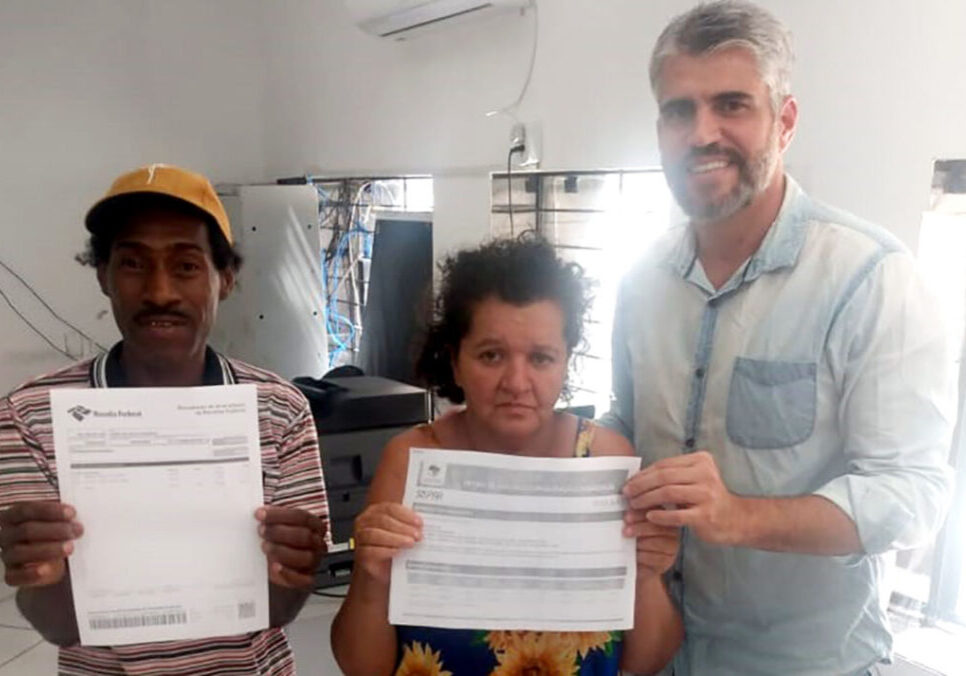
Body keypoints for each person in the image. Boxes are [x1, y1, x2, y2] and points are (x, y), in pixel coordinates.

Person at [605, 2, 954, 674]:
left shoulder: (871, 279)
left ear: (785, 121)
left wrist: (739, 516)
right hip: (657, 651)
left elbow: (911, 497)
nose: (701, 133)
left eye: (731, 105)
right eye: (679, 111)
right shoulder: (641, 280)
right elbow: (627, 420)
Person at [0, 164, 330, 674]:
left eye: (186, 266)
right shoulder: (30, 415)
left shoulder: (278, 409)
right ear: (103, 276)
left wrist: (297, 569)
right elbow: (59, 627)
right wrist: (37, 573)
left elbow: (279, 609)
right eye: (133, 263)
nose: (159, 292)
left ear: (225, 279)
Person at [330, 235, 683, 675]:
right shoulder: (411, 460)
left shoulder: (604, 459)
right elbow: (362, 668)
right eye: (491, 355)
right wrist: (370, 578)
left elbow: (648, 661)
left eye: (541, 358)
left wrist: (646, 575)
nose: (516, 382)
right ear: (455, 361)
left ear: (566, 362)